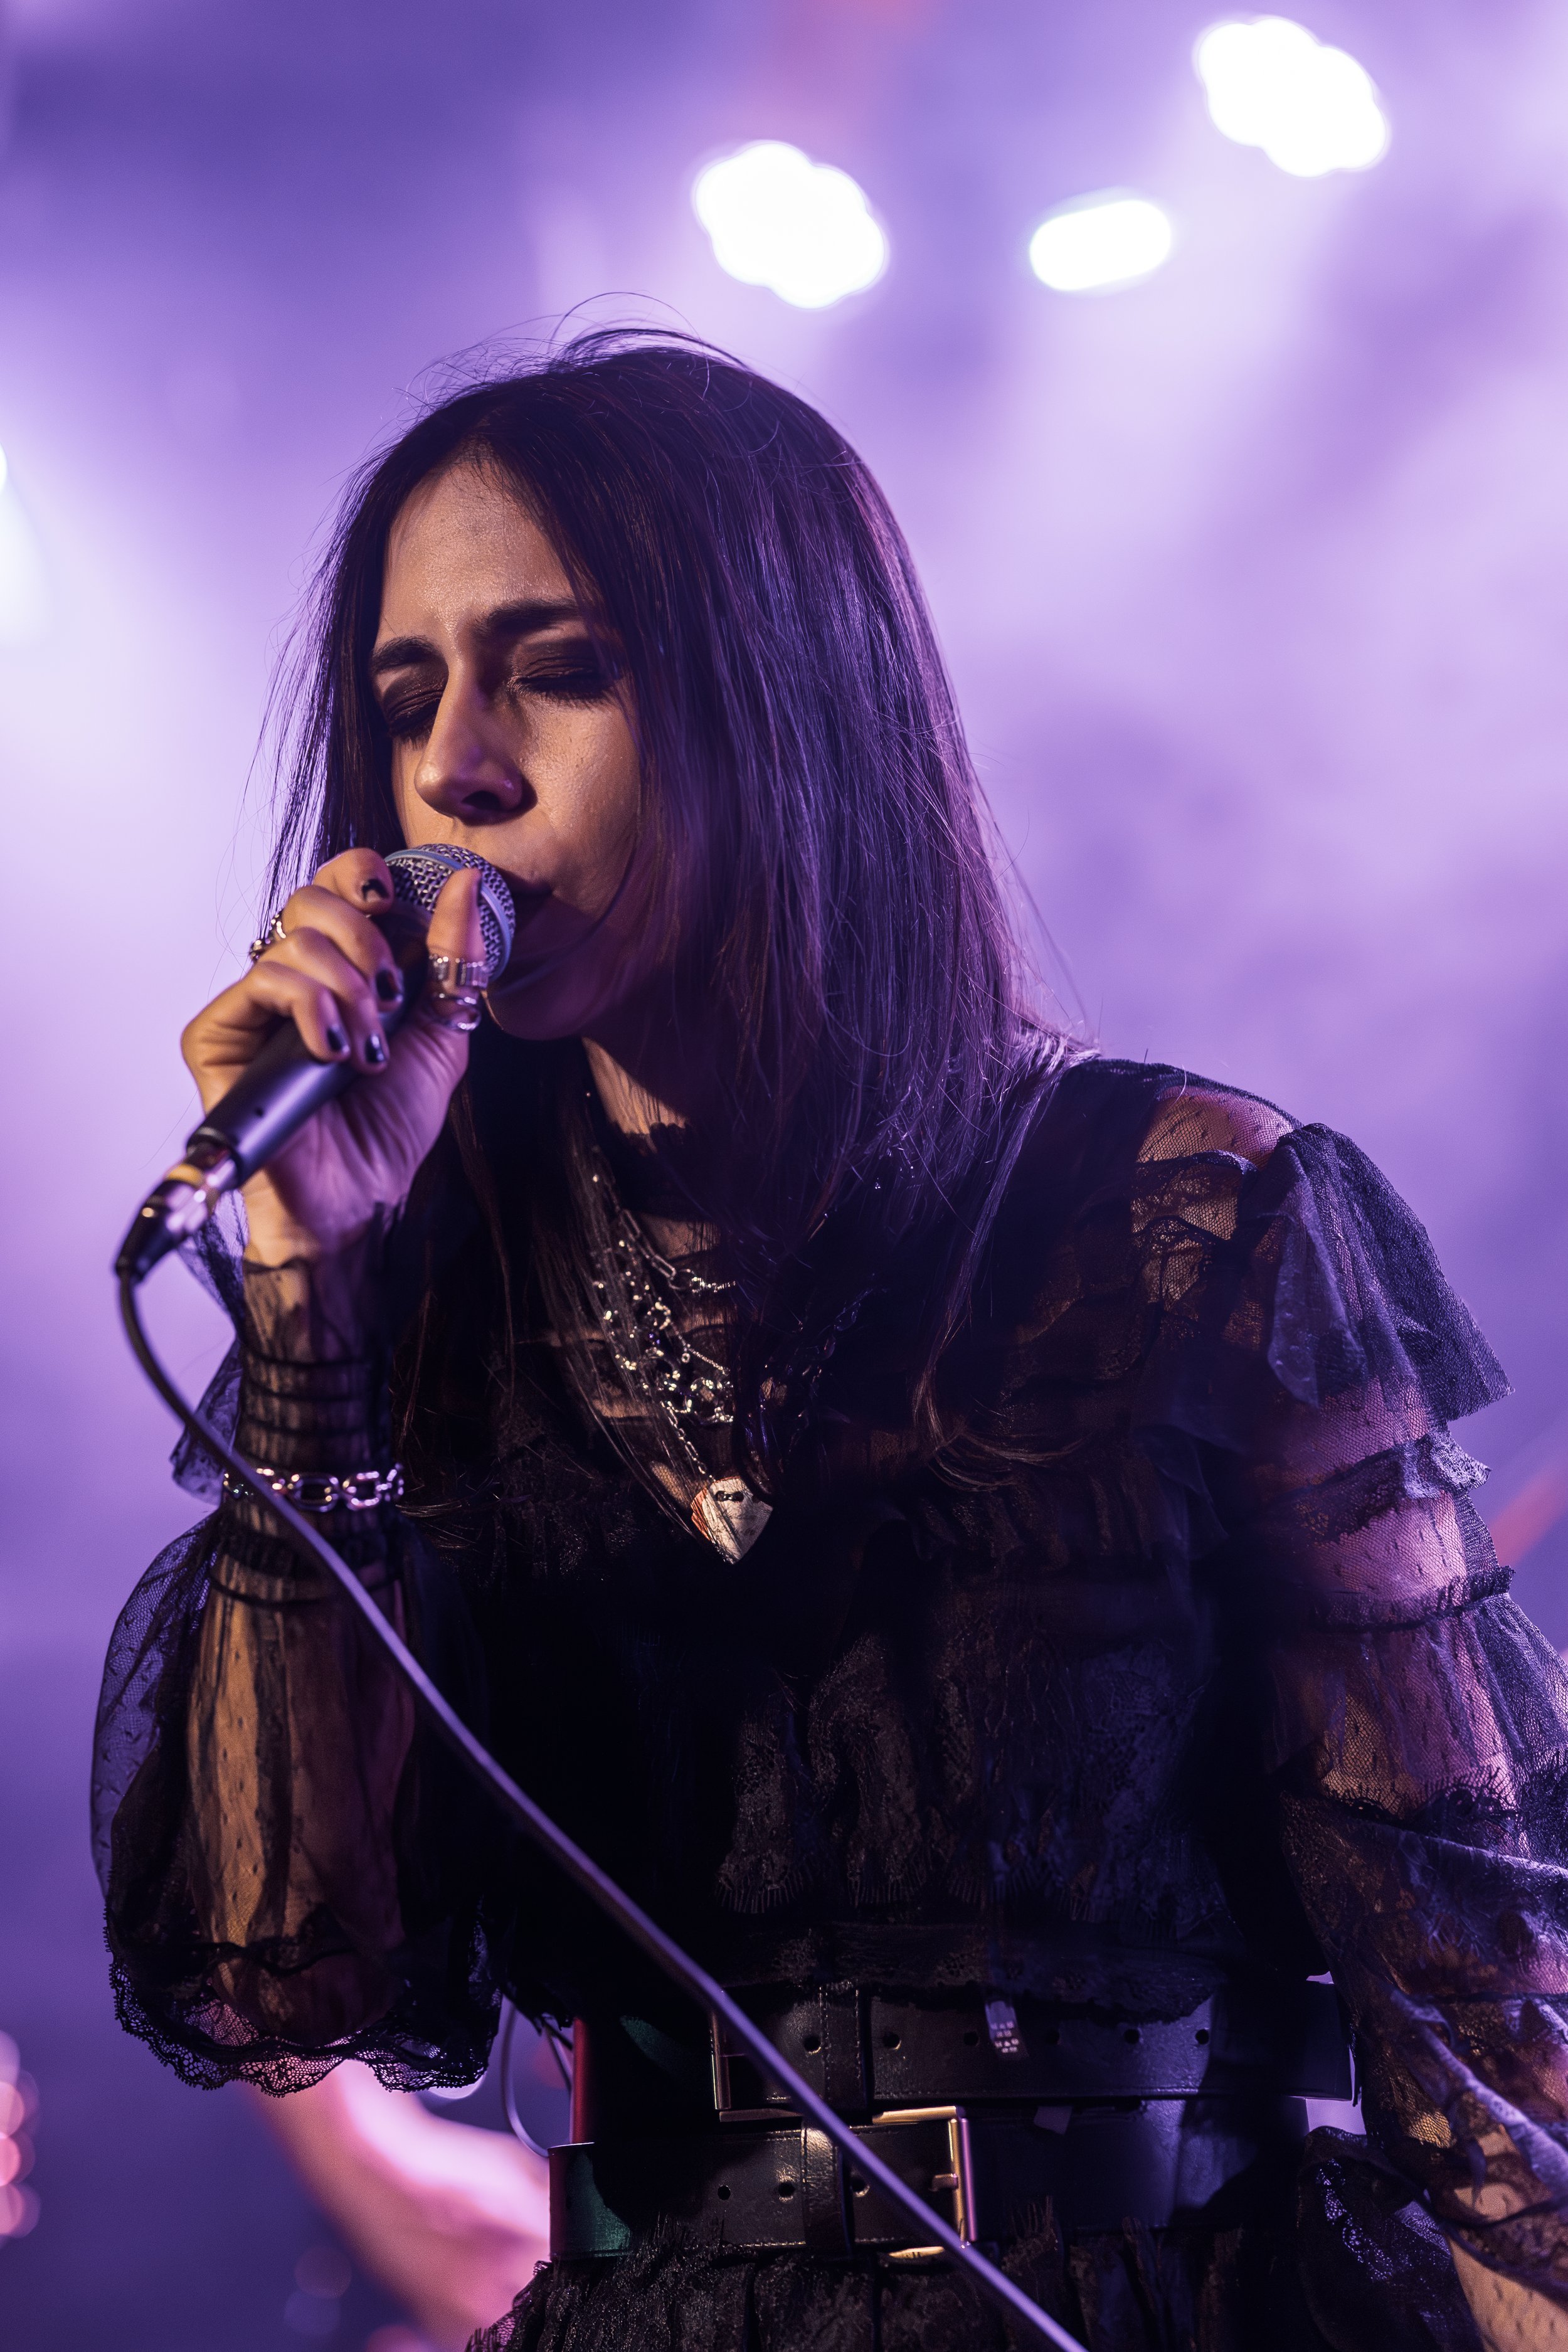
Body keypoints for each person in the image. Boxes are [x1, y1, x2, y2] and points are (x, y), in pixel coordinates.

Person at [93, 331, 1568, 2352]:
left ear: (779, 697)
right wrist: (308, 1289)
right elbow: (287, 1973)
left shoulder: (1180, 1212)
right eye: (406, 695)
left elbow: (1477, 2013)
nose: (459, 766)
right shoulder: (425, 1300)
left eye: (560, 666)